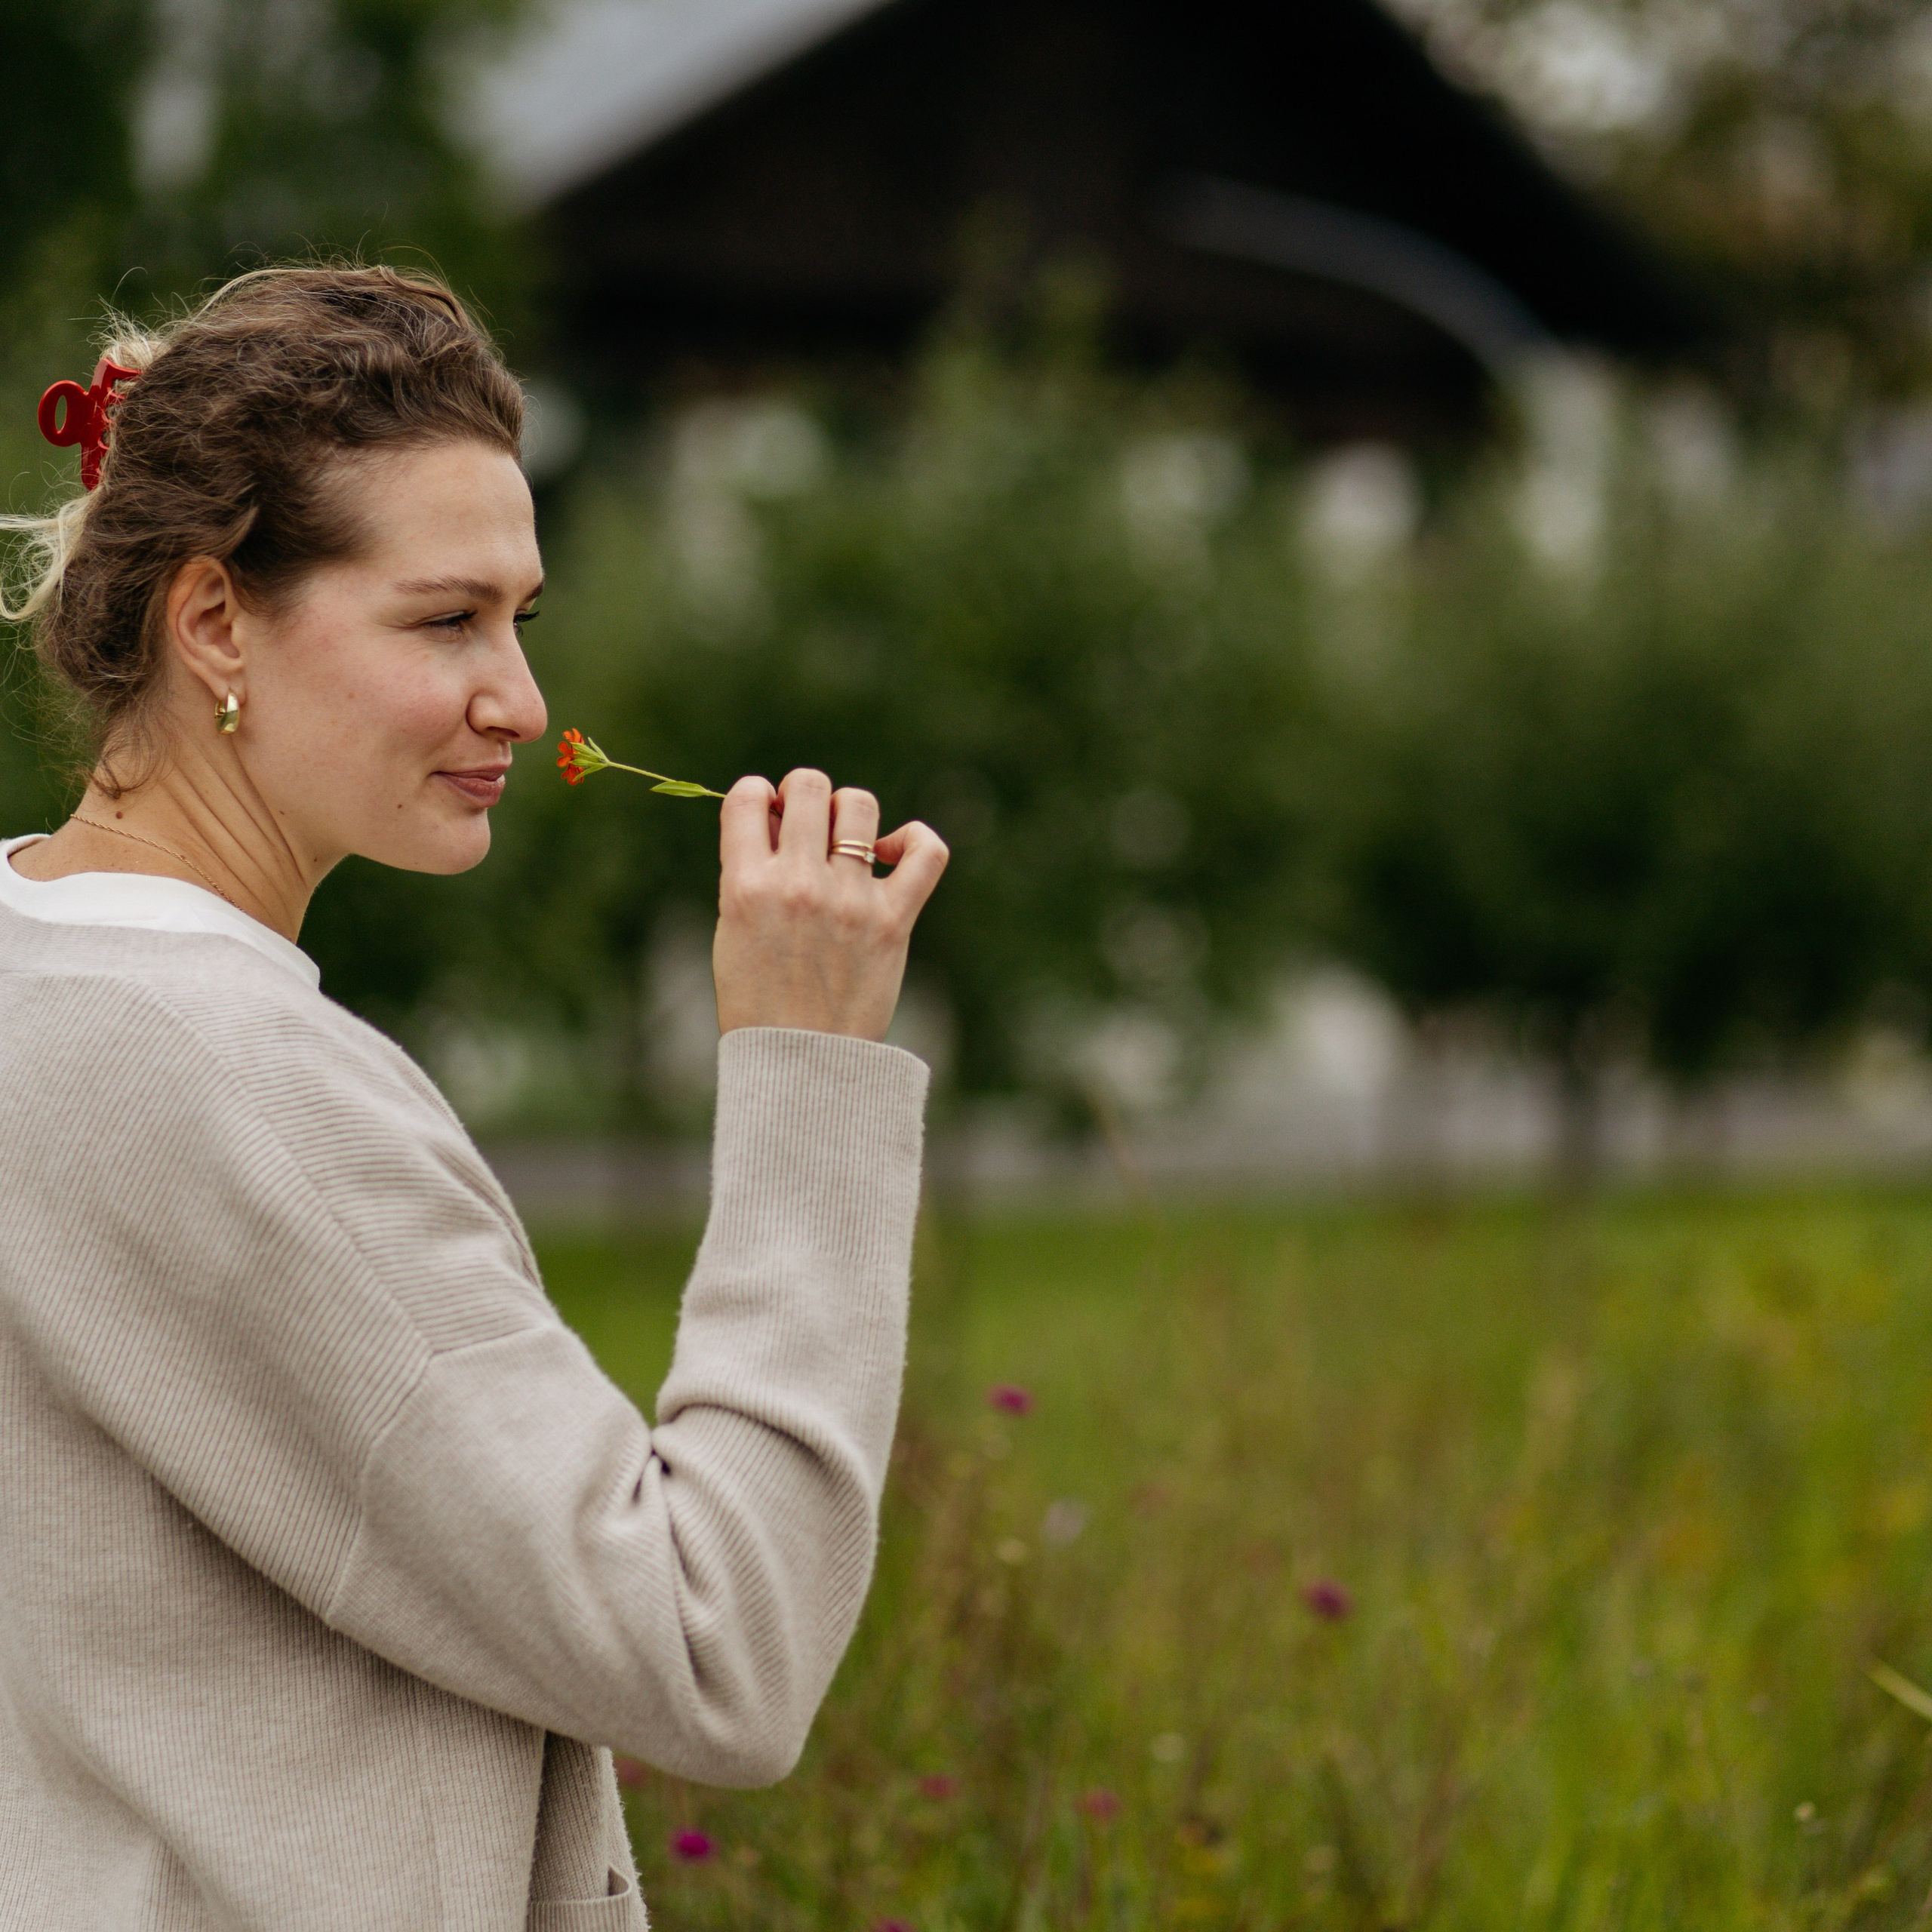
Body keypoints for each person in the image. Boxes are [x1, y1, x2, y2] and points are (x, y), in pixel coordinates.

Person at [0, 265, 948, 1930]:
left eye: (521, 617)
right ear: (213, 618)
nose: (519, 698)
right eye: (445, 620)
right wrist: (811, 1078)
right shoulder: (230, 1082)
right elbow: (711, 1644)